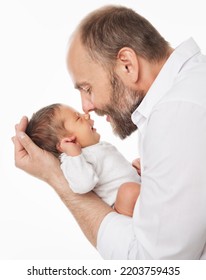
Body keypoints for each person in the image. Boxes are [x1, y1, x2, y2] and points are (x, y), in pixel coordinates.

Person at [13, 5, 206, 259]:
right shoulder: (188, 90)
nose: (86, 107)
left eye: (87, 88)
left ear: (127, 65)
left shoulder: (176, 114)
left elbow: (156, 267)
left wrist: (55, 177)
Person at [25, 103, 140, 216]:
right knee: (128, 191)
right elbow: (83, 185)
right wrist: (75, 155)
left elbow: (114, 173)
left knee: (140, 167)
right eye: (78, 118)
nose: (86, 115)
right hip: (121, 206)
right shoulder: (72, 160)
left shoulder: (97, 147)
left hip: (137, 192)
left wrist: (133, 169)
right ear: (68, 141)